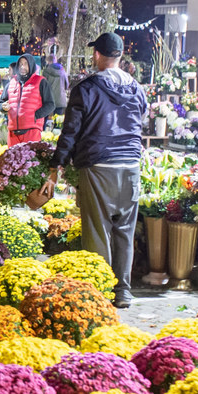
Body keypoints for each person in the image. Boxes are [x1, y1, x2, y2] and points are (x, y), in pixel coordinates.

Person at [47, 32, 147, 308]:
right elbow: (142, 119)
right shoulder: (136, 88)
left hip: (98, 164)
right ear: (121, 56)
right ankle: (123, 290)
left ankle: (100, 291)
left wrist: (56, 166)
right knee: (124, 229)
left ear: (97, 55)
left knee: (97, 229)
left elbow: (70, 131)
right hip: (130, 166)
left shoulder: (87, 88)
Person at [1, 55, 55, 145]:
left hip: (32, 131)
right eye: (21, 64)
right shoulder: (11, 83)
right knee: (11, 158)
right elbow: (2, 102)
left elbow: (50, 104)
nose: (22, 66)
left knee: (30, 158)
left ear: (31, 65)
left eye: (26, 64)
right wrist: (2, 107)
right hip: (13, 133)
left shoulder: (41, 82)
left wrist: (35, 115)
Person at [42, 46, 70, 119]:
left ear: (49, 61)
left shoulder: (46, 72)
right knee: (58, 121)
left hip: (48, 99)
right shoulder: (63, 72)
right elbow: (67, 85)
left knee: (44, 121)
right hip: (60, 99)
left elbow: (42, 86)